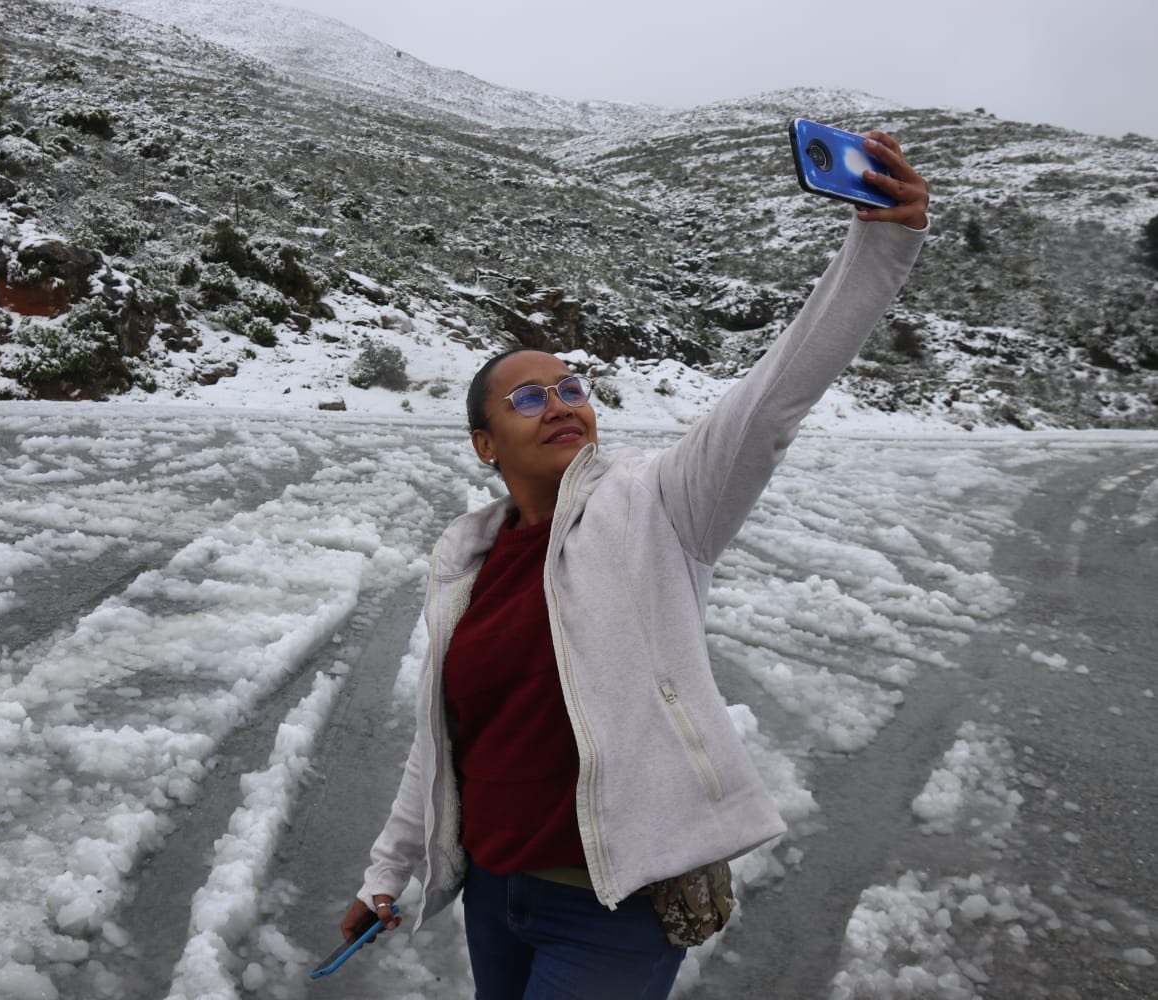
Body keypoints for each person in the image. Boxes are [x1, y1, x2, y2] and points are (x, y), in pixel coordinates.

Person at [338, 131, 931, 999]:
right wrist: (388, 875)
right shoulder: (468, 563)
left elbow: (772, 401)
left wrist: (881, 244)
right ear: (482, 444)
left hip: (615, 906)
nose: (561, 404)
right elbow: (445, 749)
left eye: (572, 387)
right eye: (528, 397)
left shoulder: (661, 505)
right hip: (497, 898)